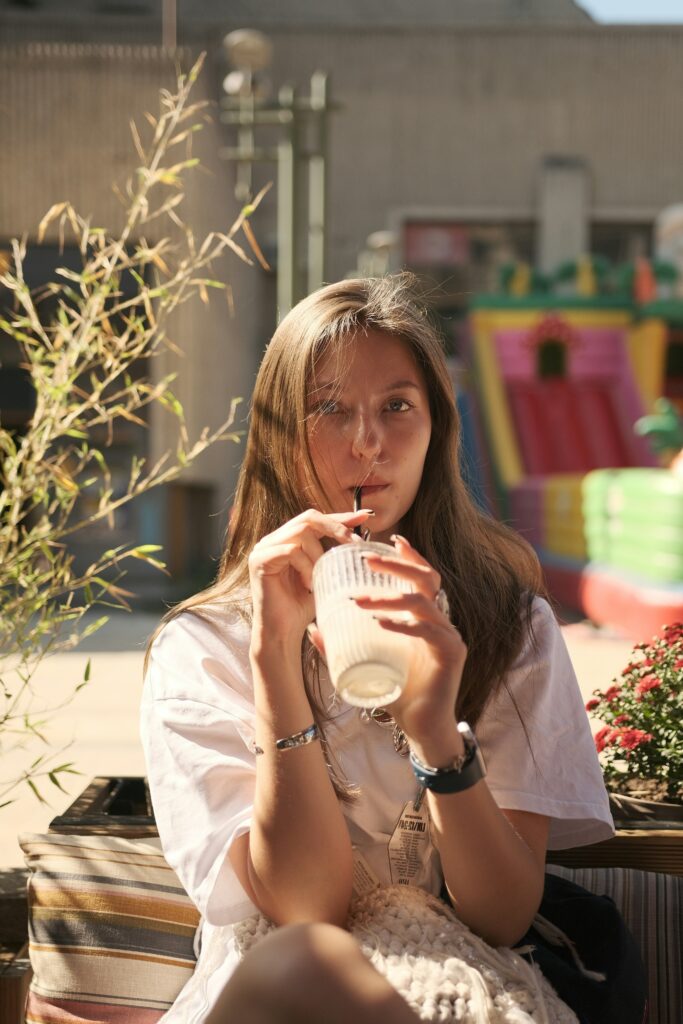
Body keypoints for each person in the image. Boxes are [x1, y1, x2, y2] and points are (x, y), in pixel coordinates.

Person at [141, 275, 642, 1023]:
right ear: (278, 434)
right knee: (303, 964)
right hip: (270, 992)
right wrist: (275, 659)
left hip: (461, 982)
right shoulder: (205, 646)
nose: (367, 443)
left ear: (437, 430)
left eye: (397, 407)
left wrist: (435, 731)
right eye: (329, 408)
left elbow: (503, 915)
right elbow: (304, 911)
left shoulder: (508, 626)